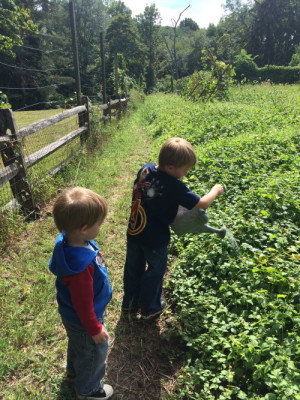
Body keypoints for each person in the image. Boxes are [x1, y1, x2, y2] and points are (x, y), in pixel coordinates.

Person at [122, 137, 224, 320]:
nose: (185, 173)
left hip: (134, 231)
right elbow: (201, 204)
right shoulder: (173, 186)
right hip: (155, 239)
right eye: (185, 170)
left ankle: (130, 303)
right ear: (170, 167)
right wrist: (216, 190)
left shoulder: (146, 168)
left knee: (132, 268)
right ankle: (150, 308)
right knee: (155, 271)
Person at [49, 186, 114, 400]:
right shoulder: (80, 268)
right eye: (99, 224)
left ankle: (74, 372)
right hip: (86, 319)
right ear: (84, 228)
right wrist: (95, 328)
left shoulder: (69, 240)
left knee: (78, 344)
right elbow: (83, 304)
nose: (100, 227)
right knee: (94, 351)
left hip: (73, 319)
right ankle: (88, 389)